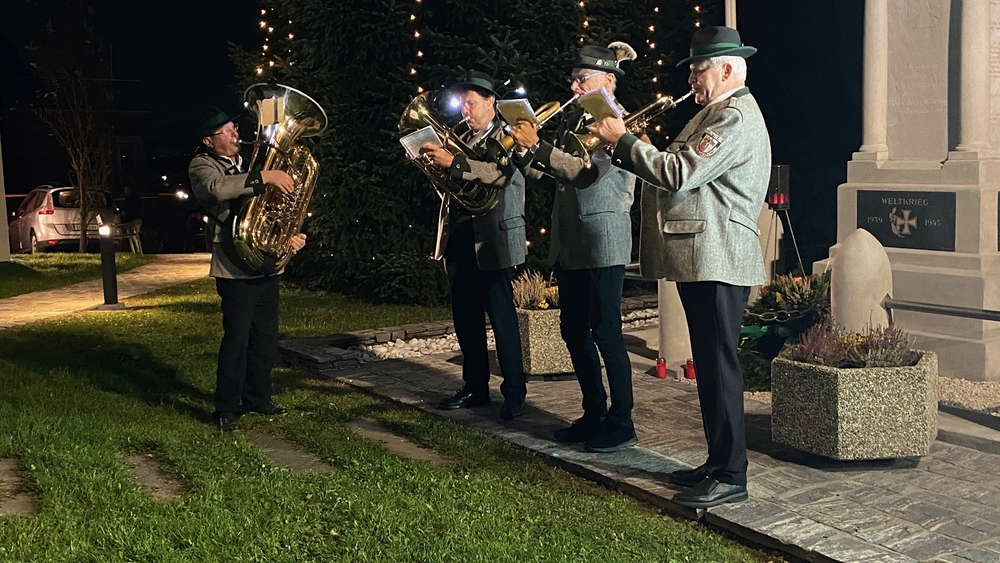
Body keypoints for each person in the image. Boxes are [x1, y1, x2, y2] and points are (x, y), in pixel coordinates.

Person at [589, 26, 770, 508]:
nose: (691, 77)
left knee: (719, 366)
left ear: (727, 70)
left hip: (718, 255)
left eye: (699, 69)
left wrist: (625, 141)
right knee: (708, 366)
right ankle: (717, 462)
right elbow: (679, 164)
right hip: (706, 255)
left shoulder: (733, 116)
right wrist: (634, 146)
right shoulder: (714, 113)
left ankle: (731, 474)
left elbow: (679, 172)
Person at [507, 43, 639, 453]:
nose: (574, 86)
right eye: (574, 79)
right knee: (573, 331)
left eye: (582, 79)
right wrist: (522, 150)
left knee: (607, 333)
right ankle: (593, 412)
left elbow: (586, 175)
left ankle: (622, 421)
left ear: (608, 81)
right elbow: (553, 173)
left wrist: (538, 147)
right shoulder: (576, 121)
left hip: (602, 241)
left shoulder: (618, 122)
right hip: (572, 242)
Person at [188, 106, 307, 432]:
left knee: (265, 340)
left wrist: (288, 236)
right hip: (234, 268)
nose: (235, 134)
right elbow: (217, 189)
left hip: (266, 264)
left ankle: (258, 398)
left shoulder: (248, 163)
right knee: (237, 340)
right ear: (209, 141)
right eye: (226, 131)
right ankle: (226, 408)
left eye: (234, 128)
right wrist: (264, 177)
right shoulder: (202, 165)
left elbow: (272, 210)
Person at [419, 71, 528, 420]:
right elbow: (451, 185)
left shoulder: (508, 134)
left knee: (502, 319)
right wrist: (434, 165)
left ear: (491, 102)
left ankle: (514, 393)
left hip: (494, 234)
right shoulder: (460, 137)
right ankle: (475, 386)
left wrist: (454, 162)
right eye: (462, 104)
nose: (465, 110)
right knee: (465, 318)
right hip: (461, 234)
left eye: (471, 103)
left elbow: (501, 174)